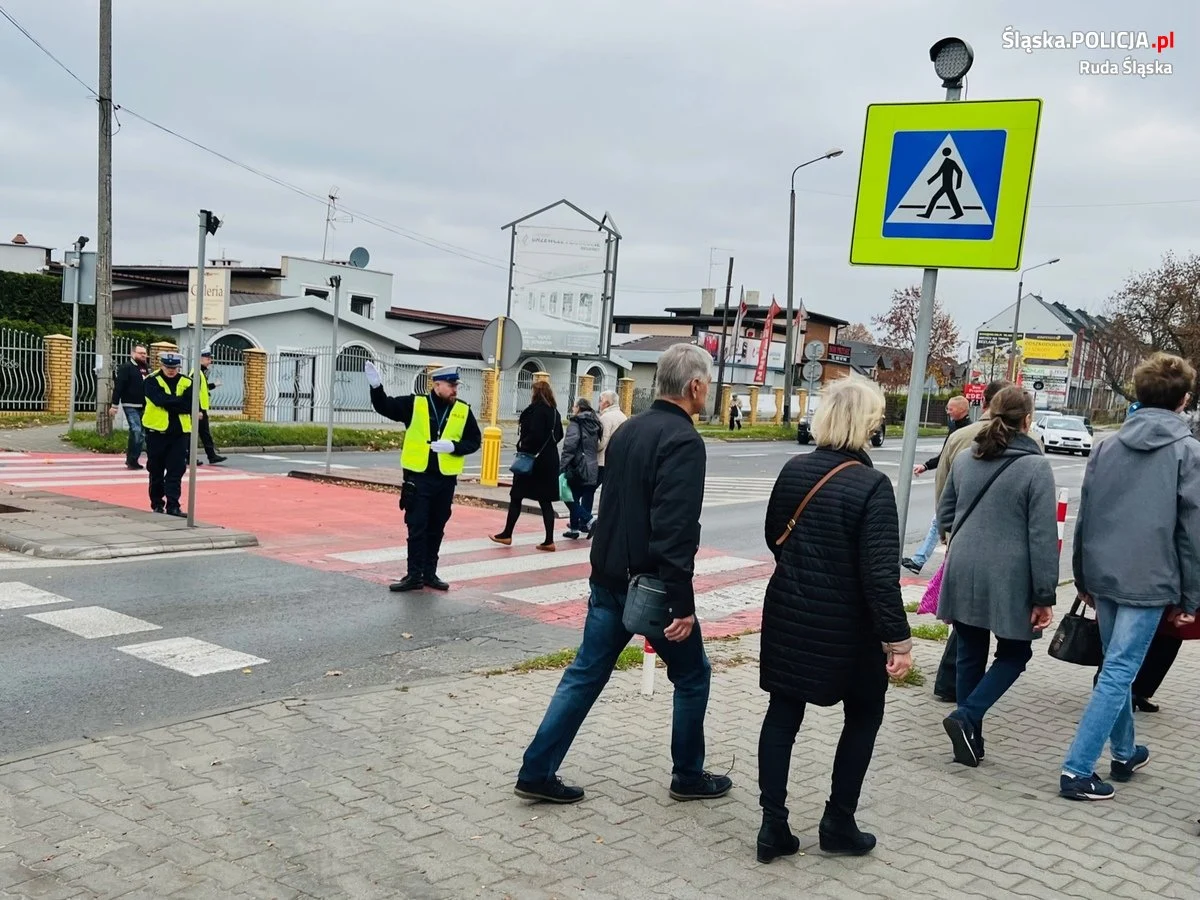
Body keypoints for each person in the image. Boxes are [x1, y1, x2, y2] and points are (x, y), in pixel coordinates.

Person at [514, 343, 732, 805]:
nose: (707, 391)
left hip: (609, 577)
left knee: (585, 673)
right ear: (695, 385)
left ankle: (536, 769)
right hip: (652, 588)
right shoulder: (684, 441)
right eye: (707, 383)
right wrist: (683, 604)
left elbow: (611, 504)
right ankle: (688, 775)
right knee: (693, 676)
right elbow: (675, 528)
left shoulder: (630, 430)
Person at [756, 375, 912, 863]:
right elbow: (880, 575)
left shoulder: (793, 470)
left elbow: (772, 537)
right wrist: (899, 640)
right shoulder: (872, 485)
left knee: (783, 714)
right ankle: (838, 821)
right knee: (864, 713)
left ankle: (772, 827)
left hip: (788, 613)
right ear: (868, 422)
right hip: (851, 628)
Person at [1060, 352, 1200, 801]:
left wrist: (1082, 573)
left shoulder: (1106, 446)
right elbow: (1191, 530)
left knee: (1114, 668)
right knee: (1119, 671)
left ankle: (1124, 752)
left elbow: (1087, 516)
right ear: (1183, 399)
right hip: (1151, 577)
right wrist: (1192, 595)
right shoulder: (1188, 452)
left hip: (1104, 572)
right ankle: (1077, 769)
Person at [937, 386, 1058, 767]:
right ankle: (967, 717)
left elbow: (945, 514)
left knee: (969, 651)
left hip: (964, 564)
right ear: (1027, 420)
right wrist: (1044, 594)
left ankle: (970, 736)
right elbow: (1041, 536)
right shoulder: (1035, 466)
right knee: (1015, 652)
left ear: (989, 413)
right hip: (1010, 574)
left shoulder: (968, 458)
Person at [928, 380, 1014, 702]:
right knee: (1006, 641)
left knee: (966, 624)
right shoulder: (1028, 446)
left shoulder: (958, 438)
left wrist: (948, 533)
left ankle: (954, 688)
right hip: (1007, 553)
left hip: (961, 540)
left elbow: (942, 493)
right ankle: (968, 705)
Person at [366, 362, 482, 592]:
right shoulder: (415, 404)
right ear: (436, 384)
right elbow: (385, 406)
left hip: (445, 479)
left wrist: (454, 447)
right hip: (418, 478)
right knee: (417, 527)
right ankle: (414, 575)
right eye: (450, 385)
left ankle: (429, 573)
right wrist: (376, 387)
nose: (455, 390)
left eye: (456, 385)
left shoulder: (462, 410)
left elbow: (474, 441)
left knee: (437, 527)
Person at [491, 381, 563, 552]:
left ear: (536, 393)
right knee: (546, 501)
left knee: (516, 496)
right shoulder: (555, 412)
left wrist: (524, 448)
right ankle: (549, 540)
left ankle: (507, 534)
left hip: (532, 461)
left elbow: (534, 435)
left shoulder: (536, 410)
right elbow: (559, 435)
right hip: (550, 460)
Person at [902, 395, 971, 574]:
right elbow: (944, 456)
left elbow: (951, 458)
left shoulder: (966, 432)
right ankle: (920, 561)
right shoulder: (955, 427)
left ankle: (931, 564)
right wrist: (926, 466)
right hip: (952, 482)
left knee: (942, 521)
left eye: (951, 408)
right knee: (939, 522)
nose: (947, 411)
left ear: (962, 410)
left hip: (958, 484)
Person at [141, 352, 194, 517]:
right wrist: (177, 402)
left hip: (179, 433)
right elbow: (158, 400)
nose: (171, 370)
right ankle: (157, 503)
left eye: (174, 367)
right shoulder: (151, 380)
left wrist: (170, 402)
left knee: (176, 470)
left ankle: (173, 505)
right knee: (156, 470)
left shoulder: (187, 381)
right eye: (168, 367)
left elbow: (190, 405)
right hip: (156, 432)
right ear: (161, 365)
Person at [560, 397, 601, 540]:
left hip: (578, 466)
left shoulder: (576, 423)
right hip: (591, 464)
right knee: (575, 496)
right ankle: (574, 528)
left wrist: (562, 465)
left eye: (574, 406)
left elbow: (569, 446)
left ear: (579, 408)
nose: (573, 409)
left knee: (569, 497)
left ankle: (589, 520)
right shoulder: (595, 422)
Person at [109, 345, 149, 471]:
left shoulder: (146, 368)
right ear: (133, 353)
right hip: (130, 404)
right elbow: (119, 386)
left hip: (144, 405)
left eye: (144, 353)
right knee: (136, 430)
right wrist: (114, 405)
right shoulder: (126, 367)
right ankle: (132, 460)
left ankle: (133, 459)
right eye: (140, 353)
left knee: (142, 433)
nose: (143, 355)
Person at [191, 350, 227, 466]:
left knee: (204, 434)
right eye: (208, 359)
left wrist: (215, 385)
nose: (210, 361)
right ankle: (189, 457)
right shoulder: (196, 372)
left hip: (201, 409)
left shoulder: (202, 372)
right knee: (193, 434)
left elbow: (204, 389)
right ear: (200, 359)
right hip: (198, 409)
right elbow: (193, 391)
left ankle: (211, 456)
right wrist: (198, 409)